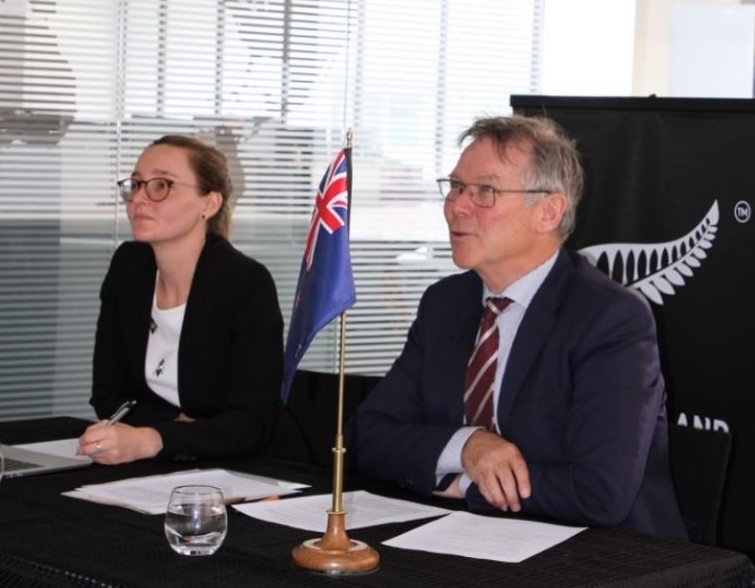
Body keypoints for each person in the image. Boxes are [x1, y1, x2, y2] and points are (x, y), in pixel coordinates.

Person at [350, 115, 687, 539]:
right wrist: (468, 446)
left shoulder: (610, 319)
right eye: (455, 187)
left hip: (605, 556)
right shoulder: (445, 304)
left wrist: (467, 483)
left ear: (548, 212)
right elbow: (370, 437)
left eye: (485, 191)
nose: (457, 206)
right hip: (466, 544)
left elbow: (600, 491)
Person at [78, 134, 283, 465]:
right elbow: (109, 396)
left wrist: (153, 437)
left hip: (229, 473)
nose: (139, 199)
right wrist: (180, 428)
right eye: (136, 184)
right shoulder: (129, 267)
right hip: (149, 464)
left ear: (209, 204)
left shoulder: (245, 284)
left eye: (161, 186)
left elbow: (250, 425)